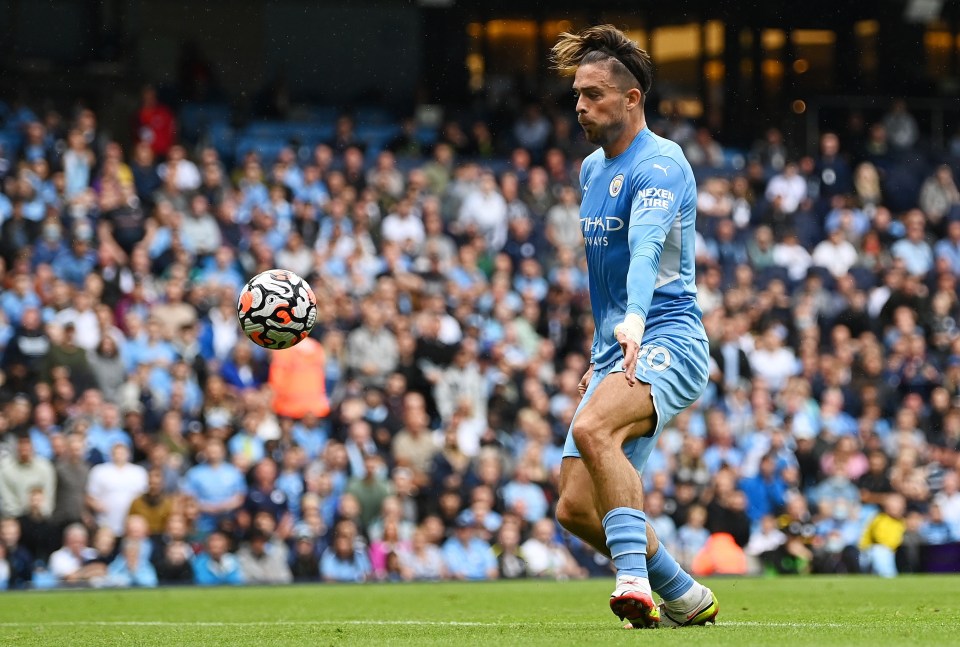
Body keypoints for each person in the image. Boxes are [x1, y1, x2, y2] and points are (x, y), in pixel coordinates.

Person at [549, 25, 718, 629]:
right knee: (573, 508)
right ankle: (686, 595)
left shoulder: (663, 163)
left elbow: (646, 251)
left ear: (631, 99)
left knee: (595, 429)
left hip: (669, 336)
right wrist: (604, 349)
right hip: (615, 347)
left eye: (593, 94)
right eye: (576, 94)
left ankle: (633, 584)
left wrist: (635, 324)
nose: (579, 105)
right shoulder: (592, 171)